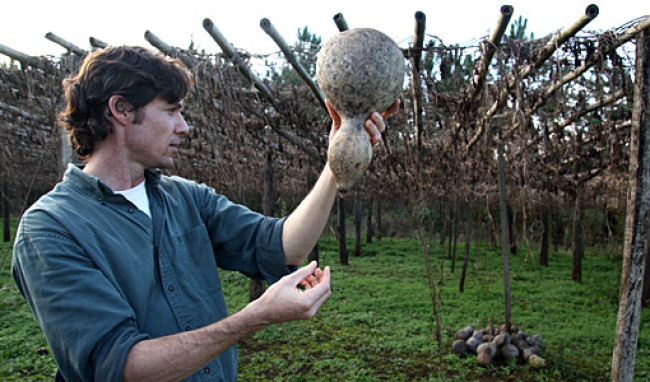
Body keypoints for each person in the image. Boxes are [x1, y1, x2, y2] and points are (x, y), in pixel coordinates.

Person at [11, 45, 399, 382]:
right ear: (122, 110)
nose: (184, 126)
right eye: (171, 110)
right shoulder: (51, 230)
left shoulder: (186, 199)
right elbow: (118, 367)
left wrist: (336, 161)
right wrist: (255, 316)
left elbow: (282, 247)